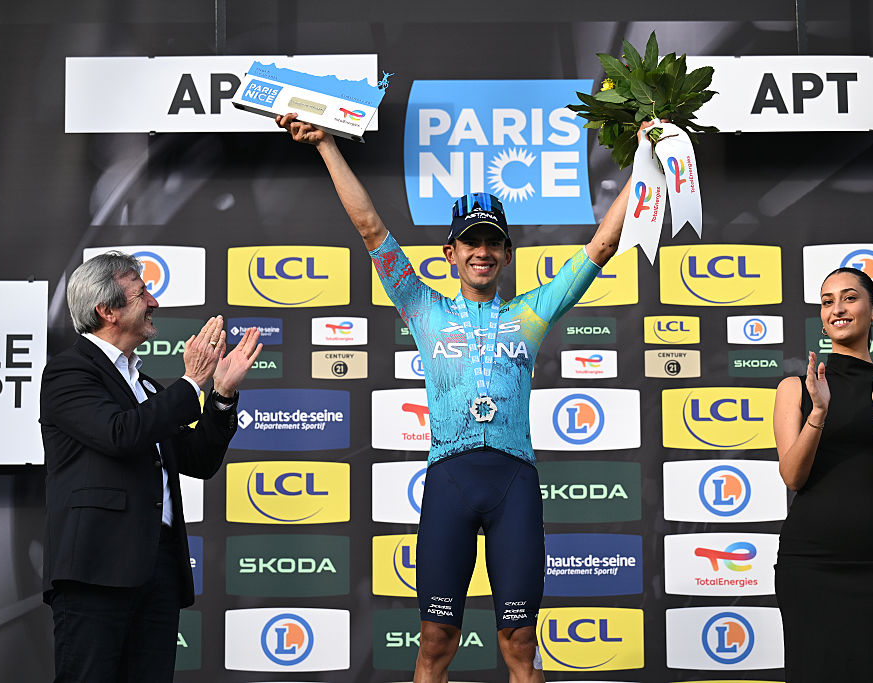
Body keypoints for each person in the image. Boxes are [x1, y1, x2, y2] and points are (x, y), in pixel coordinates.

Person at [277, 112, 652, 683]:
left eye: (493, 242)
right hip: (449, 481)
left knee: (520, 641)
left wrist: (649, 157)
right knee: (435, 642)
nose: (482, 251)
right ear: (449, 253)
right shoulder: (422, 308)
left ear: (507, 255)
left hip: (513, 484)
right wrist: (326, 144)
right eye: (470, 241)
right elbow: (370, 229)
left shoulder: (531, 312)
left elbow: (604, 242)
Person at [40, 251, 262, 683]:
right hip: (96, 569)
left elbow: (198, 459)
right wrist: (191, 382)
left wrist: (220, 395)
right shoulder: (69, 372)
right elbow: (119, 434)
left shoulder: (143, 384)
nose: (154, 302)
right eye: (142, 294)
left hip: (157, 569)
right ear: (107, 311)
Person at [772, 267, 873, 682]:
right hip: (811, 562)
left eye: (850, 298)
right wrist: (819, 412)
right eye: (827, 301)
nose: (837, 308)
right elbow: (793, 477)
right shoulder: (796, 388)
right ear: (822, 318)